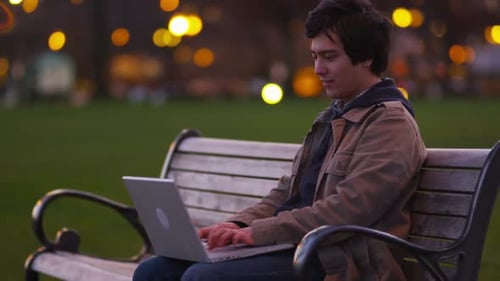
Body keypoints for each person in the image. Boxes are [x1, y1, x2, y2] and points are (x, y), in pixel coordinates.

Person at [133, 0, 427, 280]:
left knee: (203, 277)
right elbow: (287, 194)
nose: (317, 70)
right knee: (154, 271)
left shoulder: (389, 122)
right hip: (293, 247)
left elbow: (349, 210)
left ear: (366, 57)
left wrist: (259, 233)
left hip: (335, 261)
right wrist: (238, 224)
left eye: (329, 57)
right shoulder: (333, 117)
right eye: (315, 56)